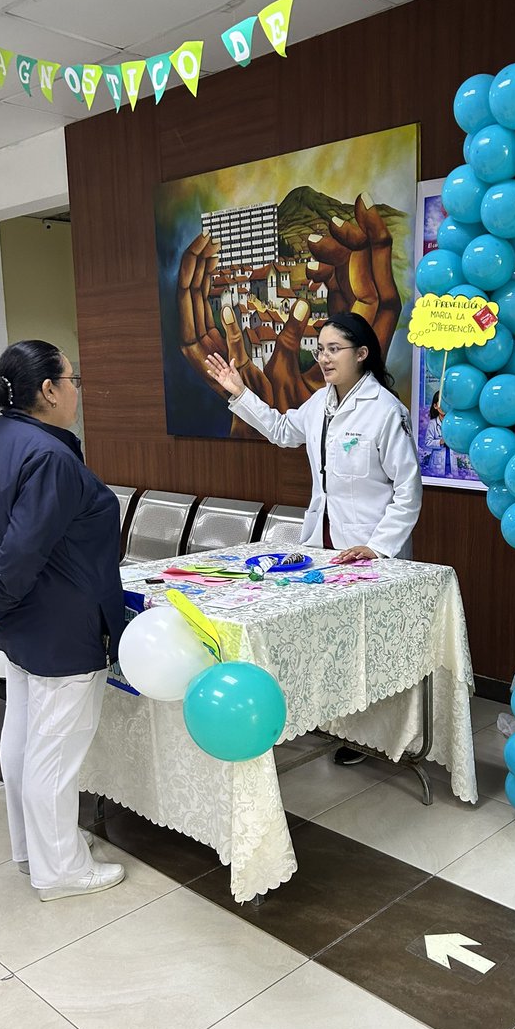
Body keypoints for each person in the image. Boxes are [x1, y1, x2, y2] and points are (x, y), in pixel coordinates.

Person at [0, 341, 126, 901]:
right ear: (48, 390)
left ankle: (34, 850)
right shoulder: (49, 457)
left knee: (23, 738)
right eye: (73, 380)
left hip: (19, 627)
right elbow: (23, 550)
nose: (77, 391)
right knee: (55, 752)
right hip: (57, 625)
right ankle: (60, 871)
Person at [205, 309, 423, 764]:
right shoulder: (320, 402)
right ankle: (343, 727)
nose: (323, 358)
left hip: (371, 552)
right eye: (320, 349)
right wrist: (240, 392)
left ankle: (379, 738)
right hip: (323, 545)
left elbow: (408, 489)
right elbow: (284, 432)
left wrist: (378, 546)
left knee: (374, 646)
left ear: (361, 354)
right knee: (338, 642)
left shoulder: (385, 411)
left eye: (334, 349)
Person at [423, 390, 453, 478]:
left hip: (451, 459)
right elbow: (428, 442)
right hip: (437, 462)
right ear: (435, 406)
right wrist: (441, 442)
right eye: (441, 404)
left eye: (446, 404)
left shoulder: (453, 423)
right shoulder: (432, 423)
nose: (444, 407)